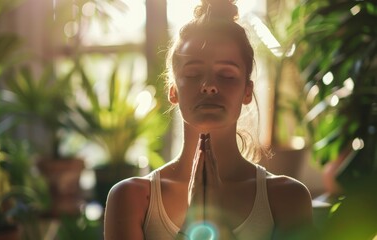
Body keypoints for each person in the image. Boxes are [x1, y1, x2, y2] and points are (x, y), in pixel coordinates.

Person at [104, 0, 313, 239]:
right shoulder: (132, 198)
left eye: (226, 75)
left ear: (247, 91)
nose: (209, 86)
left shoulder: (287, 198)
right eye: (193, 74)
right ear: (172, 91)